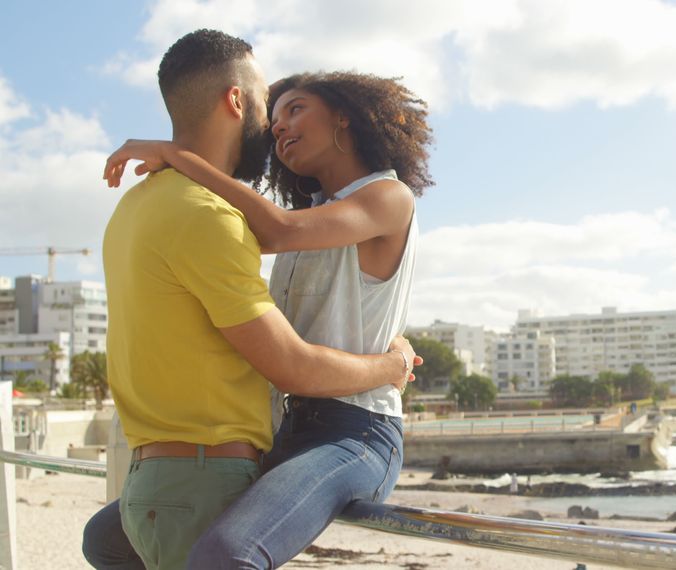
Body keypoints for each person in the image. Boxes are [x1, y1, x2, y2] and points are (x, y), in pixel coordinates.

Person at [88, 48, 434, 570]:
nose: (279, 127)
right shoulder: (311, 217)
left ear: (344, 115)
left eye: (294, 109)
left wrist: (177, 154)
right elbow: (224, 231)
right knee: (107, 538)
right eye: (272, 121)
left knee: (227, 556)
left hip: (356, 431)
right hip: (287, 426)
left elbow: (276, 229)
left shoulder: (388, 195)